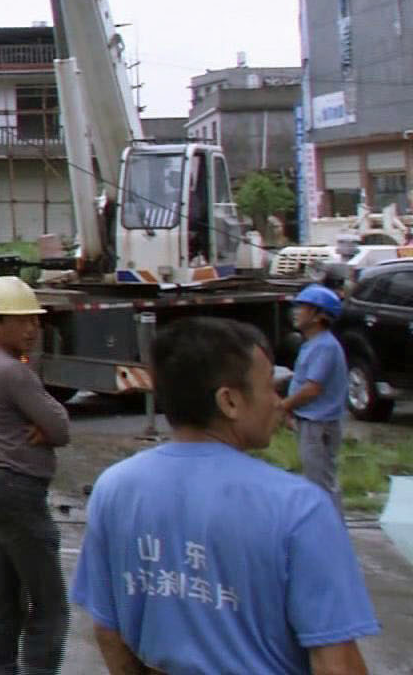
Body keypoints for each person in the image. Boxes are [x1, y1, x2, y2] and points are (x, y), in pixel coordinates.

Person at [70, 317, 379, 675]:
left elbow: (108, 629)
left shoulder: (115, 488)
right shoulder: (300, 507)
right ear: (229, 401)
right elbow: (335, 664)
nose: (278, 403)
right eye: (268, 388)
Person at [0, 275, 71, 675]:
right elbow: (61, 426)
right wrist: (45, 426)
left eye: (35, 320)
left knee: (5, 600)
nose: (32, 329)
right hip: (17, 493)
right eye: (22, 320)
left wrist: (43, 423)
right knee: (50, 608)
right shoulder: (11, 371)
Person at [282, 283, 348, 514]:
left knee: (320, 484)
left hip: (318, 426)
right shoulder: (314, 344)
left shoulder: (325, 347)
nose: (297, 312)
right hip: (311, 422)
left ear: (319, 316)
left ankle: (330, 535)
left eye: (304, 307)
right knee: (318, 480)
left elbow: (312, 389)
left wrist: (282, 406)